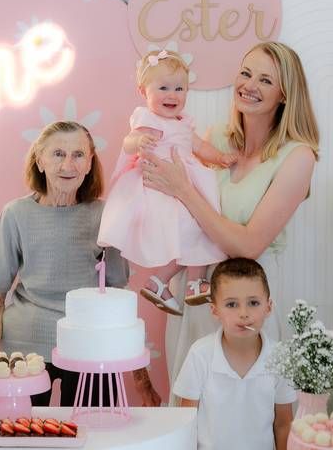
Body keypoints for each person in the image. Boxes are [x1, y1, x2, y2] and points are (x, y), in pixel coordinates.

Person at [137, 41, 319, 392]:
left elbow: (248, 246)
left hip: (247, 299)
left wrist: (182, 189)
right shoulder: (216, 139)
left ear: (284, 94)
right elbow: (183, 216)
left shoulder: (298, 157)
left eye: (266, 80)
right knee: (191, 403)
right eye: (246, 73)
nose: (250, 85)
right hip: (197, 294)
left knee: (246, 404)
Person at [0, 120, 160, 407]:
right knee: (15, 429)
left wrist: (141, 378)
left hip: (89, 345)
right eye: (58, 154)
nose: (68, 165)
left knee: (91, 429)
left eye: (78, 155)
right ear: (40, 160)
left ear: (89, 163)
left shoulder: (106, 214)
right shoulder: (16, 213)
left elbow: (118, 298)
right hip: (25, 345)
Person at [98, 49, 236, 317]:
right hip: (162, 186)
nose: (172, 95)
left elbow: (199, 146)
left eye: (179, 88)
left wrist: (219, 157)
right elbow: (128, 142)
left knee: (203, 228)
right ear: (143, 91)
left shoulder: (184, 123)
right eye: (163, 88)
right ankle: (174, 282)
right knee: (193, 229)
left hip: (185, 183)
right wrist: (138, 142)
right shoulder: (147, 119)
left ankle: (176, 283)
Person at [173, 258, 295, 450]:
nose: (243, 313)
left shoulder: (280, 356)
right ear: (215, 310)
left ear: (268, 307)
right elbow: (187, 424)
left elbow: (283, 424)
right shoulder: (200, 354)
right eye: (231, 304)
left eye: (253, 303)